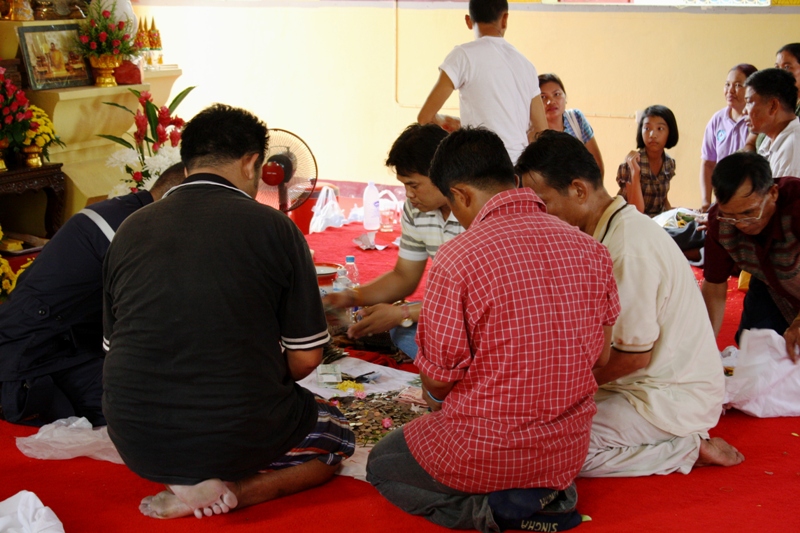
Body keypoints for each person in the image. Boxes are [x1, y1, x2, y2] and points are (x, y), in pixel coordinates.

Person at [102, 104, 354, 520]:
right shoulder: (274, 227)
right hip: (235, 425)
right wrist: (259, 375)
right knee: (337, 436)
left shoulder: (130, 228)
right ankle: (238, 490)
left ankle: (182, 475)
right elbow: (306, 358)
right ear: (252, 162)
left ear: (187, 162)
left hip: (134, 433)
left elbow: (114, 348)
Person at [367, 127, 621, 533]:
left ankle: (495, 514)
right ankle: (547, 498)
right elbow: (601, 358)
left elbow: (438, 378)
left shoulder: (458, 257)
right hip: (566, 452)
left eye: (453, 204)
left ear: (463, 195)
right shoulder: (591, 249)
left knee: (383, 464)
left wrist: (434, 404)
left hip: (484, 450)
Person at [517, 131, 744, 477]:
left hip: (667, 397)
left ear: (578, 190)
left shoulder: (628, 245)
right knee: (524, 424)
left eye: (543, 203)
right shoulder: (605, 231)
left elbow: (633, 356)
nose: (538, 216)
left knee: (548, 451)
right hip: (636, 385)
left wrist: (562, 390)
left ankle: (683, 448)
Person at [0, 164, 185, 427]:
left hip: (67, 343)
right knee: (161, 404)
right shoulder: (126, 231)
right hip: (31, 363)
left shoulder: (121, 211)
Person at [324, 124, 463, 359]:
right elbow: (404, 276)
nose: (408, 194)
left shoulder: (476, 210)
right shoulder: (415, 209)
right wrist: (350, 297)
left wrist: (403, 312)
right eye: (404, 185)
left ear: (443, 173)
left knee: (410, 329)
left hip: (480, 315)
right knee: (404, 333)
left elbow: (475, 300)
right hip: (448, 313)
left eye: (413, 185)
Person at [417, 0, 546, 162]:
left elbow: (424, 118)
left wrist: (446, 122)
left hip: (479, 167)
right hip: (517, 170)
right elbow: (542, 131)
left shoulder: (462, 55)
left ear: (468, 21)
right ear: (505, 19)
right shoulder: (527, 65)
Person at [702, 151, 800, 362]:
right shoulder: (720, 223)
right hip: (772, 288)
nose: (741, 224)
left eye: (749, 213)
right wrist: (705, 342)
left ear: (773, 193)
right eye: (730, 215)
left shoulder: (796, 205)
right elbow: (714, 286)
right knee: (754, 350)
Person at [699, 64, 758, 212]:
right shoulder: (717, 119)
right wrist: (706, 202)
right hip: (722, 201)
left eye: (738, 85)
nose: (730, 91)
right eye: (727, 84)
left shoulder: (756, 122)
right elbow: (708, 164)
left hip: (749, 201)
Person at [616, 105, 679, 217]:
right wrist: (635, 172)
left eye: (660, 129)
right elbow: (636, 211)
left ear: (670, 132)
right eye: (647, 128)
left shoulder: (669, 163)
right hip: (630, 221)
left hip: (657, 221)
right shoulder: (630, 164)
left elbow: (663, 199)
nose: (652, 135)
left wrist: (674, 215)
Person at [538, 73, 605, 177]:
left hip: (583, 189)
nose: (550, 101)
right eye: (543, 97)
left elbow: (597, 166)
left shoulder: (576, 119)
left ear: (565, 98)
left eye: (557, 94)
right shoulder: (532, 131)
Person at [744, 68, 800, 179]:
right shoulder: (769, 139)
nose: (744, 111)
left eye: (749, 102)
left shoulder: (792, 150)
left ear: (773, 106)